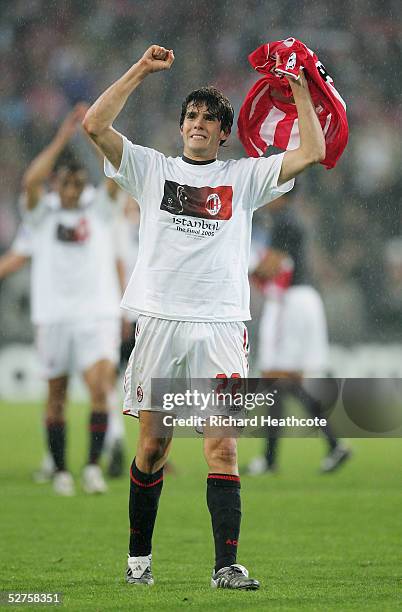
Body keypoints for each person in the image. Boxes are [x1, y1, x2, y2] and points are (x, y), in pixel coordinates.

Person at [83, 44, 325, 589]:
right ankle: (138, 561)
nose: (198, 124)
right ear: (181, 127)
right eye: (191, 116)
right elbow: (95, 123)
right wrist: (141, 69)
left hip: (220, 325)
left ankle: (226, 567)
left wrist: (303, 86)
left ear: (224, 134)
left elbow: (312, 150)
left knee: (223, 446)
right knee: (153, 448)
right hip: (161, 322)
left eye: (210, 119)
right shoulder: (151, 169)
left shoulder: (243, 177)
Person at [22, 104, 124, 495]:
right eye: (67, 184)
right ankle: (62, 470)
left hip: (95, 314)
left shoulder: (98, 211)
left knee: (100, 390)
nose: (75, 189)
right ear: (57, 185)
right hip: (53, 316)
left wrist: (90, 136)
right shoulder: (42, 214)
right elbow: (31, 181)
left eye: (79, 184)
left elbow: (114, 177)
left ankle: (92, 467)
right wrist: (62, 138)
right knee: (57, 397)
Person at [246, 196, 351, 475]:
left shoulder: (283, 221)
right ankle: (331, 445)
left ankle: (270, 460)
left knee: (274, 378)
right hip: (305, 300)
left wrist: (244, 272)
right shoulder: (295, 219)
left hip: (289, 302)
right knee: (285, 382)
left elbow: (272, 266)